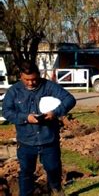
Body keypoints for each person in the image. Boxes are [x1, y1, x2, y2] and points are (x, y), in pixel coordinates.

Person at [2, 61, 76, 196]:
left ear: (39, 75)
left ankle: (56, 189)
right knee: (26, 172)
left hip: (48, 138)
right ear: (20, 76)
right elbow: (6, 111)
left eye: (34, 79)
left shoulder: (49, 86)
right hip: (26, 141)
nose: (31, 83)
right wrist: (25, 117)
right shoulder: (14, 91)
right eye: (27, 80)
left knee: (53, 168)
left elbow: (70, 99)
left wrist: (55, 112)